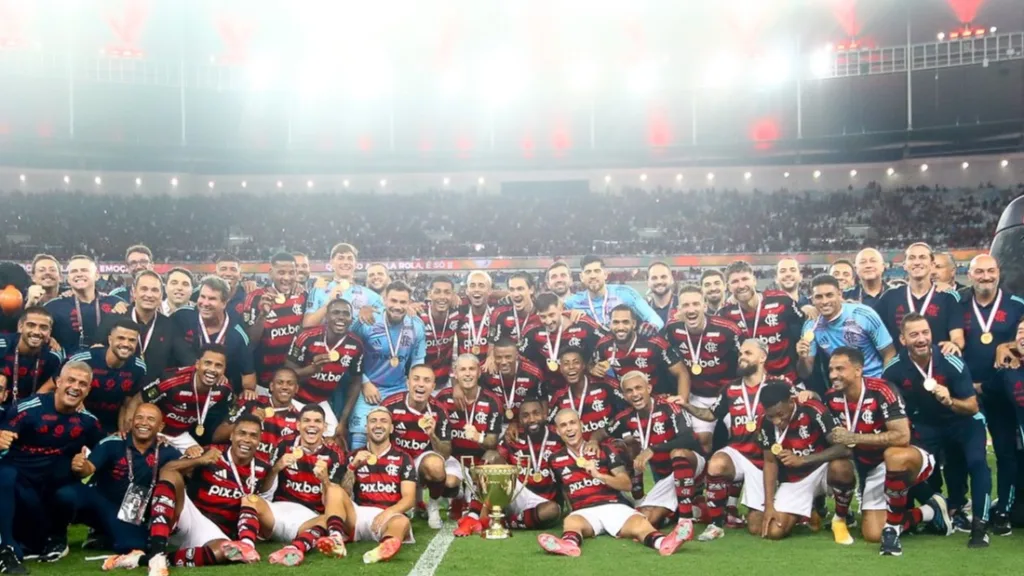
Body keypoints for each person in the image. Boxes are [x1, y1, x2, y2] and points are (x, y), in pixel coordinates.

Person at [106, 414, 274, 575]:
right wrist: (199, 460)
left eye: (253, 435)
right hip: (191, 517)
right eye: (241, 433)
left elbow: (261, 503)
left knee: (226, 553)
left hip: (216, 533)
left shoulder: (263, 467)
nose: (246, 439)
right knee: (171, 475)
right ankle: (157, 554)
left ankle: (142, 560)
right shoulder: (210, 452)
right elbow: (167, 470)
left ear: (259, 440)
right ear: (231, 435)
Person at [823, 347, 950, 554]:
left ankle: (892, 528)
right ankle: (929, 511)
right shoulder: (831, 398)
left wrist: (854, 438)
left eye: (839, 369)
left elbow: (902, 437)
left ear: (858, 370)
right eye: (831, 369)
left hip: (910, 454)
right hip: (871, 467)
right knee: (873, 534)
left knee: (894, 455)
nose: (833, 375)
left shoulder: (882, 390)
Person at [882, 312, 991, 548]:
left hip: (964, 421)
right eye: (914, 334)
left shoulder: (950, 360)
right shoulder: (893, 370)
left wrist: (949, 400)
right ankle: (936, 507)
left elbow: (972, 406)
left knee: (977, 463)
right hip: (927, 424)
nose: (921, 339)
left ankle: (980, 527)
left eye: (925, 332)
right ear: (902, 340)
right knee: (908, 463)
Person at [536, 409, 689, 557]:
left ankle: (664, 542)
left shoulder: (604, 450)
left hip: (614, 505)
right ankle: (568, 544)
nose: (569, 429)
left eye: (572, 423)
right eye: (563, 425)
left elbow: (626, 484)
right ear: (557, 431)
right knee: (571, 521)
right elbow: (563, 490)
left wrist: (598, 475)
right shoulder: (554, 459)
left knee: (640, 524)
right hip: (584, 511)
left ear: (581, 425)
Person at [52, 404, 200, 556]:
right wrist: (81, 466)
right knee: (66, 495)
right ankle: (56, 538)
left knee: (134, 546)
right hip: (101, 502)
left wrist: (193, 455)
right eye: (139, 417)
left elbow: (186, 471)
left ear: (160, 426)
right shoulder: (113, 442)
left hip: (131, 514)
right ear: (131, 421)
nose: (143, 423)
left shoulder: (167, 451)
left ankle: (104, 535)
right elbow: (88, 469)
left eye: (150, 419)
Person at [0, 361, 105, 572]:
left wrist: (86, 467)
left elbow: (108, 451)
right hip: (20, 488)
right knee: (5, 475)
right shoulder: (26, 409)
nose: (76, 387)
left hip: (51, 490)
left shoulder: (88, 422)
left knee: (72, 493)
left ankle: (59, 536)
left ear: (88, 390)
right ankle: (6, 548)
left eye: (82, 383)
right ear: (57, 382)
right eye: (71, 380)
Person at [684, 339, 782, 541]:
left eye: (748, 353)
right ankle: (716, 524)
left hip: (766, 460)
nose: (742, 357)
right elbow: (711, 415)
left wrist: (809, 393)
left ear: (762, 357)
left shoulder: (779, 385)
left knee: (757, 527)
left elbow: (798, 406)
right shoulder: (731, 388)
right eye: (740, 354)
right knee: (717, 463)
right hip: (739, 452)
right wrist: (687, 405)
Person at [958, 254, 1024, 534]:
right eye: (979, 272)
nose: (985, 276)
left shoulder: (1017, 304)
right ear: (970, 275)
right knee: (962, 453)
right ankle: (959, 508)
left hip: (1002, 391)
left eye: (990, 271)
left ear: (999, 272)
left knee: (1005, 453)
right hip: (964, 391)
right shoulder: (957, 304)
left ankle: (1004, 511)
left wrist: (1007, 343)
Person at [607, 371, 703, 530]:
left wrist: (653, 449)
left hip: (692, 466)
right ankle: (685, 510)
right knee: (647, 520)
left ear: (649, 388)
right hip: (665, 479)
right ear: (624, 396)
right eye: (629, 391)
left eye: (639, 388)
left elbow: (690, 439)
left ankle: (685, 521)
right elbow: (604, 433)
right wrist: (596, 442)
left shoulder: (668, 406)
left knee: (678, 453)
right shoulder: (625, 418)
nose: (635, 394)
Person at [756, 382, 851, 540]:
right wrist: (769, 505)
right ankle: (811, 509)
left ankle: (841, 519)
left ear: (791, 401)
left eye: (780, 414)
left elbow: (843, 448)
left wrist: (803, 460)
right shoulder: (765, 423)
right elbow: (770, 462)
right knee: (774, 532)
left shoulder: (813, 410)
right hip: (795, 480)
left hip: (823, 471)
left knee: (842, 468)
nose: (776, 421)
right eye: (771, 416)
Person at [263, 404, 351, 567]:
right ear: (298, 425)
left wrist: (324, 480)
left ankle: (295, 549)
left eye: (317, 421)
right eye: (307, 421)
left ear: (324, 427)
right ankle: (245, 544)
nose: (312, 425)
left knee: (331, 520)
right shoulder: (284, 444)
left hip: (312, 517)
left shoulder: (334, 453)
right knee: (250, 500)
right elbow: (263, 491)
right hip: (280, 510)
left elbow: (333, 500)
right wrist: (277, 467)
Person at [663, 285, 742, 453]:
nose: (691, 309)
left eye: (695, 304)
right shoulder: (672, 329)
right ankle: (706, 478)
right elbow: (661, 353)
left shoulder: (727, 329)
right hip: (698, 395)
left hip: (728, 395)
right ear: (679, 309)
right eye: (685, 305)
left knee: (739, 437)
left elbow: (746, 357)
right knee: (702, 441)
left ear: (704, 306)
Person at [348, 281, 426, 449]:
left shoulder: (417, 325)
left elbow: (418, 362)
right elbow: (349, 354)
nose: (397, 306)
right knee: (359, 440)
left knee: (399, 436)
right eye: (393, 301)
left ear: (409, 302)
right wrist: (364, 382)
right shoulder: (367, 321)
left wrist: (413, 387)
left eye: (403, 302)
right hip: (368, 388)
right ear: (384, 300)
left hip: (398, 388)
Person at [381, 364, 456, 530]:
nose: (421, 384)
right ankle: (410, 501)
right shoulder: (390, 405)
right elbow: (377, 439)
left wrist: (432, 435)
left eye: (427, 380)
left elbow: (445, 453)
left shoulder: (439, 410)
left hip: (421, 460)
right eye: (416, 379)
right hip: (396, 460)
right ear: (408, 382)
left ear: (433, 387)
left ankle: (433, 505)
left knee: (436, 466)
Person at [437, 354, 503, 537]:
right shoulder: (443, 398)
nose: (468, 374)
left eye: (472, 369)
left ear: (479, 372)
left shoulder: (492, 400)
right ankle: (456, 496)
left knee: (492, 457)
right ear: (455, 374)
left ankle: (472, 511)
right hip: (453, 459)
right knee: (448, 480)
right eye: (463, 369)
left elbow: (492, 442)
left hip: (478, 461)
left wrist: (478, 437)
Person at [343, 407, 416, 564]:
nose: (378, 425)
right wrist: (352, 467)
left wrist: (387, 513)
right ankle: (333, 538)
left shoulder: (403, 458)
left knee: (402, 522)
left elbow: (409, 499)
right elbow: (342, 494)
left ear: (391, 428)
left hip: (388, 516)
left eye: (384, 421)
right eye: (373, 421)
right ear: (366, 427)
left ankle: (384, 548)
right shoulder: (352, 456)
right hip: (359, 514)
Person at [797, 274, 895, 388]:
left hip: (874, 383)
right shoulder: (811, 326)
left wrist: (884, 386)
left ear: (839, 294)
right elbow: (805, 373)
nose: (824, 301)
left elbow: (889, 354)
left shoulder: (864, 315)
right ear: (812, 299)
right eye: (819, 297)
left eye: (829, 295)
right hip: (843, 387)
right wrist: (802, 358)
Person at [286, 299, 363, 443]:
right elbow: (286, 374)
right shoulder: (306, 336)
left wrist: (342, 421)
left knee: (335, 440)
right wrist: (311, 370)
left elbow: (356, 383)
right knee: (292, 438)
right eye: (335, 312)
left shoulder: (356, 344)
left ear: (351, 319)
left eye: (346, 314)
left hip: (321, 402)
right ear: (326, 316)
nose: (341, 317)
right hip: (295, 399)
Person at [720, 261, 807, 384]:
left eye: (745, 279)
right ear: (728, 287)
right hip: (752, 384)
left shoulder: (782, 301)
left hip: (787, 380)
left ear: (754, 280)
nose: (741, 285)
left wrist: (808, 308)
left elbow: (803, 325)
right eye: (735, 281)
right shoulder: (726, 314)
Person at [217, 367, 328, 461]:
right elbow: (217, 436)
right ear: (271, 386)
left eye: (290, 384)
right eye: (280, 383)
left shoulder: (299, 420)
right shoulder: (250, 404)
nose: (284, 387)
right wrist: (247, 420)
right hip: (239, 466)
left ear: (296, 389)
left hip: (273, 476)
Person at [103, 270, 195, 383]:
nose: (149, 295)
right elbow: (97, 352)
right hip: (117, 389)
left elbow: (187, 358)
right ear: (134, 292)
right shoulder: (114, 318)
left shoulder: (170, 325)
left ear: (161, 295)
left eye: (155, 290)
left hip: (154, 394)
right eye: (144, 289)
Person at [137, 345, 235, 451]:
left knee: (199, 459)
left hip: (180, 435)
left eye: (218, 366)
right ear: (197, 364)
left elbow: (233, 405)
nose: (212, 369)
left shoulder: (224, 389)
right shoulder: (171, 381)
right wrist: (127, 433)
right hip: (153, 431)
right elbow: (137, 402)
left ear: (224, 370)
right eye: (208, 363)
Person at [173, 276, 256, 398]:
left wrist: (248, 391)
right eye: (202, 297)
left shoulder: (237, 334)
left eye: (212, 299)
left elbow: (249, 379)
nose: (205, 303)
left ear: (224, 302)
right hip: (182, 391)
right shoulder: (181, 317)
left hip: (218, 396)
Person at [873, 242, 964, 355]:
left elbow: (958, 337)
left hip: (936, 367)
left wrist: (954, 344)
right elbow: (872, 329)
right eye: (912, 258)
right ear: (904, 265)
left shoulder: (948, 297)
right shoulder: (890, 297)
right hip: (901, 369)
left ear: (932, 264)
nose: (917, 262)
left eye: (922, 257)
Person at [65, 318, 147, 434]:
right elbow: (52, 388)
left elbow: (127, 403)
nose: (126, 344)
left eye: (132, 340)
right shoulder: (82, 360)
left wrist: (123, 431)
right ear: (110, 339)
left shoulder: (138, 368)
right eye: (121, 338)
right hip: (75, 422)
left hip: (109, 428)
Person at [496, 397, 563, 530]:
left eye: (536, 413)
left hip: (544, 501)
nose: (532, 419)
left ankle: (508, 522)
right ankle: (477, 516)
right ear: (519, 420)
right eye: (525, 416)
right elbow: (496, 458)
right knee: (492, 458)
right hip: (517, 494)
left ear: (545, 414)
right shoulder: (513, 436)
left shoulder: (559, 437)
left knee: (552, 510)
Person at [594, 304, 688, 397]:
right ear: (609, 324)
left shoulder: (654, 343)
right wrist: (592, 369)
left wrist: (682, 400)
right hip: (627, 401)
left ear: (634, 324)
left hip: (658, 400)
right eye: (616, 322)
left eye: (625, 322)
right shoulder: (603, 345)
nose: (620, 327)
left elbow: (682, 372)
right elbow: (591, 366)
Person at [243, 252, 307, 388]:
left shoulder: (302, 296)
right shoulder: (255, 297)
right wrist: (263, 316)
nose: (287, 278)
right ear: (271, 272)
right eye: (281, 272)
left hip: (294, 377)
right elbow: (250, 342)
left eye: (292, 273)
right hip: (264, 377)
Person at [44, 254, 126, 354]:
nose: (79, 274)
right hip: (68, 366)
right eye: (74, 271)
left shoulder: (115, 303)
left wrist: (127, 309)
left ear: (96, 275)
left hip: (106, 365)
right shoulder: (53, 307)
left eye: (84, 270)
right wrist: (48, 339)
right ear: (68, 278)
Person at [517, 293, 603, 385]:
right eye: (543, 316)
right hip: (550, 386)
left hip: (582, 384)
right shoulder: (532, 331)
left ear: (561, 309)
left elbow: (605, 344)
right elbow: (520, 357)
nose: (548, 321)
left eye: (551, 315)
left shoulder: (583, 324)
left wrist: (593, 366)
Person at [564, 255, 663, 331]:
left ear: (605, 275)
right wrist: (569, 314)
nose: (593, 276)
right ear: (581, 277)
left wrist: (652, 327)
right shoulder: (572, 302)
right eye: (588, 272)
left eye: (597, 271)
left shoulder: (625, 293)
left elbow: (654, 318)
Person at [303, 243, 384, 328]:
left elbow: (389, 315)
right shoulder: (318, 291)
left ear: (356, 264)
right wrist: (329, 303)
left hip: (358, 341)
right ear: (331, 263)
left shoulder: (369, 294)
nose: (345, 262)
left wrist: (372, 311)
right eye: (341, 258)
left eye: (350, 258)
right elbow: (307, 324)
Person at [0, 306, 63, 405]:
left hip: (29, 411)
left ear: (49, 332)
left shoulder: (53, 356)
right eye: (31, 325)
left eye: (43, 327)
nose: (36, 332)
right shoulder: (2, 345)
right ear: (20, 327)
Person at [483, 337, 545, 434]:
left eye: (508, 357)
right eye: (499, 357)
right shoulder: (486, 371)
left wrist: (518, 423)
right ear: (493, 356)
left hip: (523, 425)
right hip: (493, 423)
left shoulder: (533, 374)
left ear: (516, 355)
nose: (503, 362)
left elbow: (542, 401)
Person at [418, 276, 460, 389]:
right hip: (420, 382)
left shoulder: (458, 311)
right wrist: (408, 306)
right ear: (429, 294)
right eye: (437, 292)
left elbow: (485, 295)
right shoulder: (418, 314)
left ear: (453, 295)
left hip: (445, 382)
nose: (442, 297)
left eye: (447, 292)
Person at [487, 271, 537, 349]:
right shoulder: (499, 314)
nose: (515, 294)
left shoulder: (542, 314)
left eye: (520, 289)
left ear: (531, 290)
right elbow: (491, 351)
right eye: (512, 289)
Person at [456, 271, 495, 363]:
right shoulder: (458, 313)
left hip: (489, 372)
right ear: (467, 291)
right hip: (466, 372)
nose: (476, 289)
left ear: (490, 291)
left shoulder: (497, 314)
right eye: (472, 285)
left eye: (481, 286)